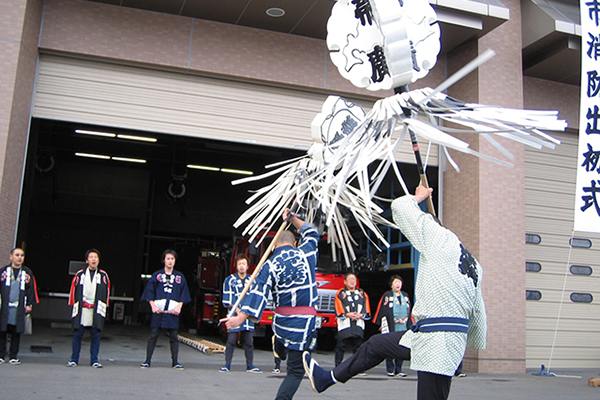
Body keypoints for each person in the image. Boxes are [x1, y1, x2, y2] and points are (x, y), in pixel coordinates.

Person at [303, 184, 487, 400]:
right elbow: (478, 315)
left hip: (438, 341)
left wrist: (419, 197)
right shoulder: (473, 264)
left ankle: (328, 379)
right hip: (436, 337)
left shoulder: (437, 237)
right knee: (376, 345)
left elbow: (400, 207)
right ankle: (328, 378)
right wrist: (469, 343)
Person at [222, 207, 320, 400]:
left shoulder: (270, 264)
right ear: (295, 243)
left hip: (283, 321)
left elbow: (258, 292)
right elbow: (312, 232)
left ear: (274, 246)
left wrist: (240, 318)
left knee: (284, 341)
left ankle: (280, 345)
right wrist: (292, 218)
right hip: (305, 321)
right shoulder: (306, 253)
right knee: (295, 371)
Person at [140, 249, 191, 370]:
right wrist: (153, 306)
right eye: (168, 259)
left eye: (172, 259)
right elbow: (149, 292)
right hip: (159, 310)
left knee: (174, 337)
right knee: (153, 335)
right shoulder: (157, 276)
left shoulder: (179, 276)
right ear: (164, 260)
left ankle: (175, 362)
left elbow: (184, 294)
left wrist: (179, 307)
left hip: (173, 311)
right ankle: (147, 361)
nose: (170, 261)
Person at [67, 248, 111, 368]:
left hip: (96, 308)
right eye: (91, 257)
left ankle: (94, 360)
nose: (93, 259)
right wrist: (73, 306)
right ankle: (74, 359)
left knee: (96, 335)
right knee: (77, 334)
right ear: (87, 260)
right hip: (82, 308)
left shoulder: (103, 276)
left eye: (95, 257)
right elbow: (73, 291)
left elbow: (107, 293)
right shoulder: (79, 275)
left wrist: (105, 308)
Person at [219, 255, 261, 373]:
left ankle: (250, 365)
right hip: (234, 313)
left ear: (247, 266)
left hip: (247, 314)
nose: (242, 266)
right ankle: (227, 365)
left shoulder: (252, 280)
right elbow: (227, 298)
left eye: (244, 264)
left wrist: (245, 311)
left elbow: (254, 297)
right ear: (236, 266)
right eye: (239, 264)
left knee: (249, 341)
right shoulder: (229, 280)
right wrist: (236, 308)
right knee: (231, 340)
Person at [0, 248, 39, 365]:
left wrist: (29, 304)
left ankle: (13, 356)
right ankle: (1, 355)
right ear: (11, 257)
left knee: (16, 332)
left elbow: (31, 289)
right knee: (2, 331)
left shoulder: (27, 273)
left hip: (19, 307)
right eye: (17, 255)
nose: (19, 257)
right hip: (4, 306)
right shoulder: (3, 271)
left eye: (22, 255)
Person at [373, 274, 413, 377]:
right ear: (391, 285)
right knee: (390, 346)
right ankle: (390, 369)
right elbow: (381, 309)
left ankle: (399, 369)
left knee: (402, 345)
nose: (398, 284)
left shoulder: (406, 295)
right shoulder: (387, 295)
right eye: (395, 282)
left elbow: (410, 310)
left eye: (399, 282)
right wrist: (382, 323)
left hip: (403, 325)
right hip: (392, 324)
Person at [334, 272, 370, 367]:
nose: (352, 281)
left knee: (358, 346)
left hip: (358, 322)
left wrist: (361, 315)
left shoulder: (362, 293)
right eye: (350, 279)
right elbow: (338, 306)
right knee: (341, 346)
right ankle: (338, 366)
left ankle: (357, 367)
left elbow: (367, 308)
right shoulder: (341, 293)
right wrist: (347, 314)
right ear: (345, 281)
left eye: (354, 279)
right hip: (345, 323)